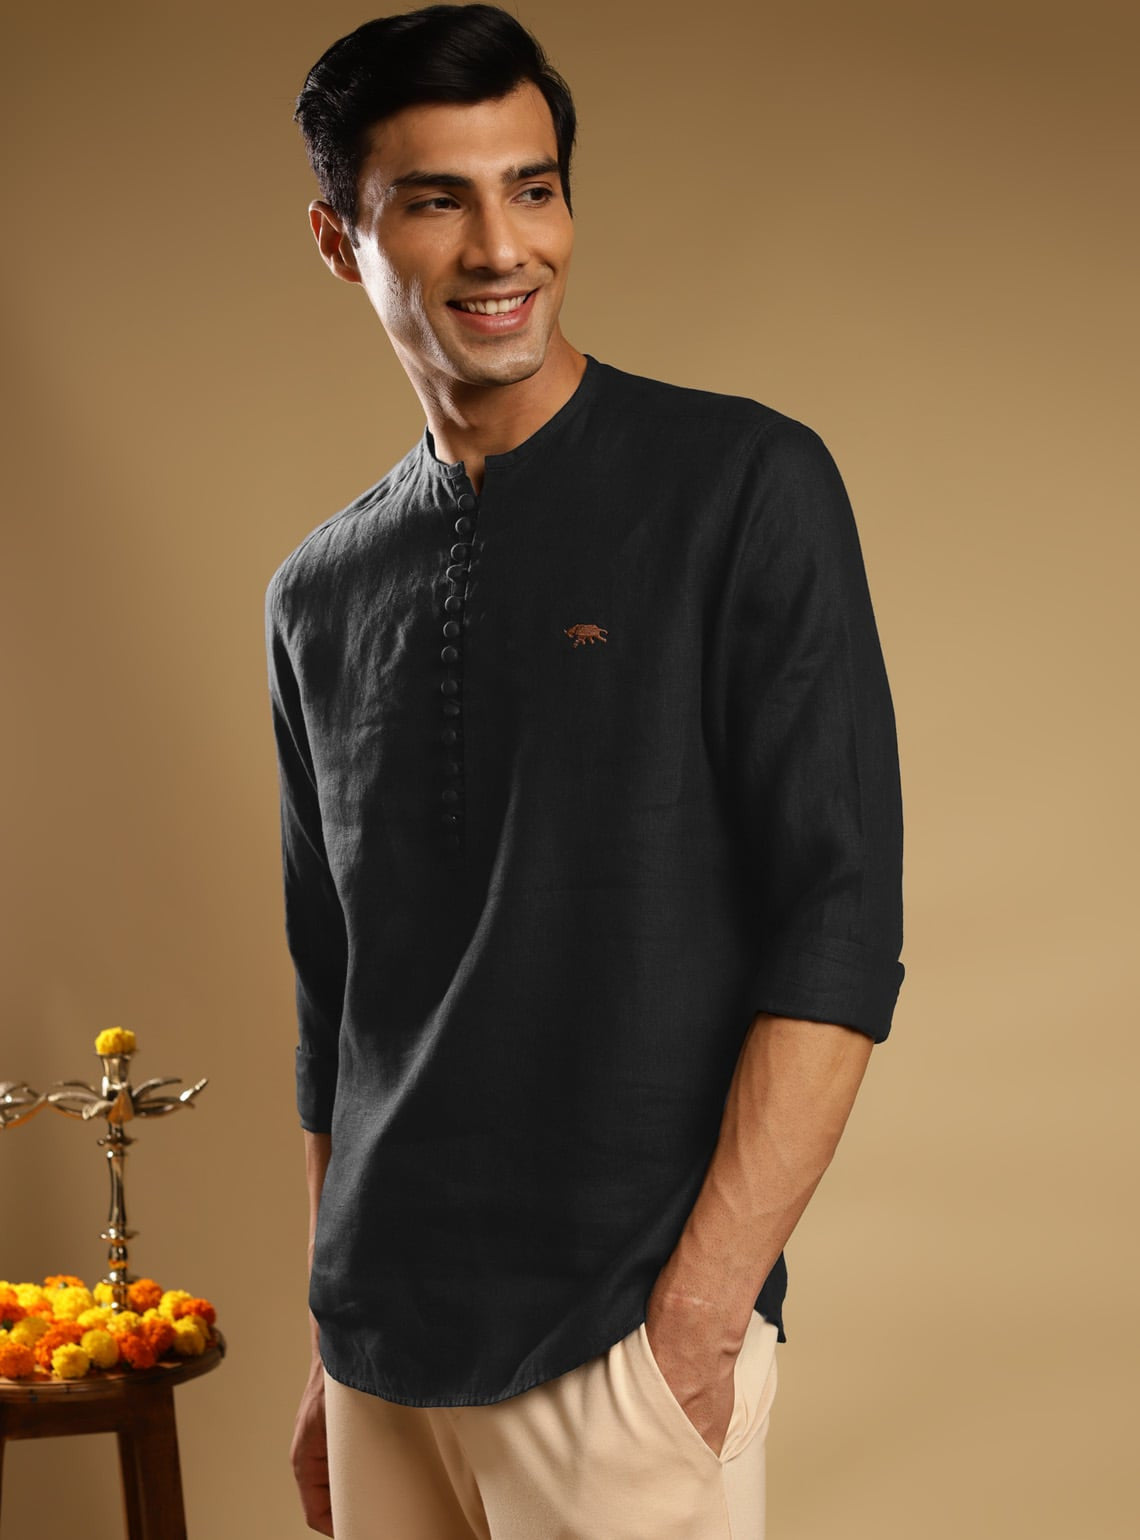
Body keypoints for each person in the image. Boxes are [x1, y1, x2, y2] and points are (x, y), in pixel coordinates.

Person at [265, 6, 905, 1537]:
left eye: (534, 188)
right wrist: (326, 1339)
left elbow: (836, 930)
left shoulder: (742, 485)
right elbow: (336, 1002)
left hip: (621, 1342)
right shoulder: (316, 593)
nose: (503, 248)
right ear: (340, 240)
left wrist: (700, 1323)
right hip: (381, 1351)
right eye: (438, 200)